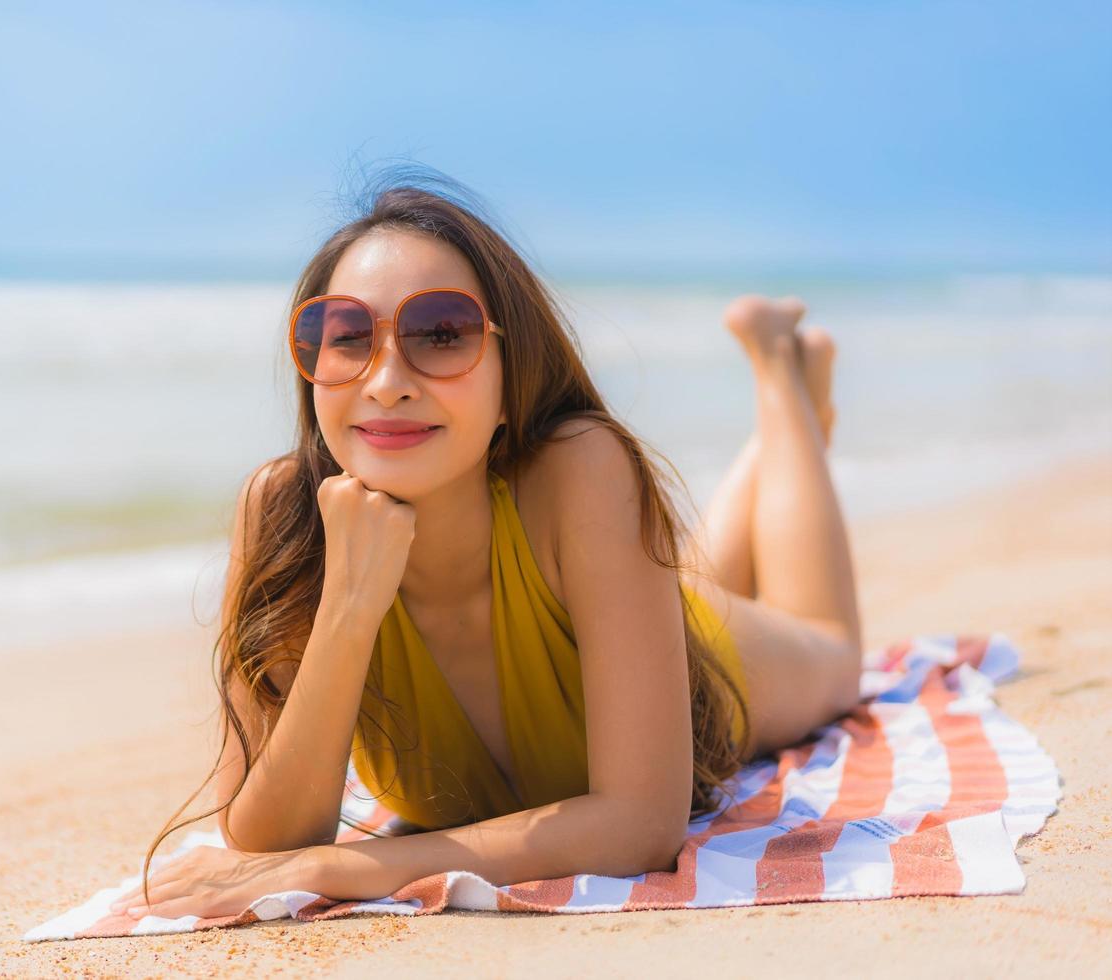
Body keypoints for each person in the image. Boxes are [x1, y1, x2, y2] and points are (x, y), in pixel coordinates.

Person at [111, 173, 863, 922]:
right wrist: (349, 602)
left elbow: (640, 825)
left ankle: (779, 379)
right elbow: (264, 839)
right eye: (345, 336)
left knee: (832, 656)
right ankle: (772, 429)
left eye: (441, 334)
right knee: (680, 570)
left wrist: (340, 867)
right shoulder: (281, 515)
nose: (386, 381)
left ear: (514, 373)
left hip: (702, 648)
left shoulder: (580, 468)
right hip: (612, 588)